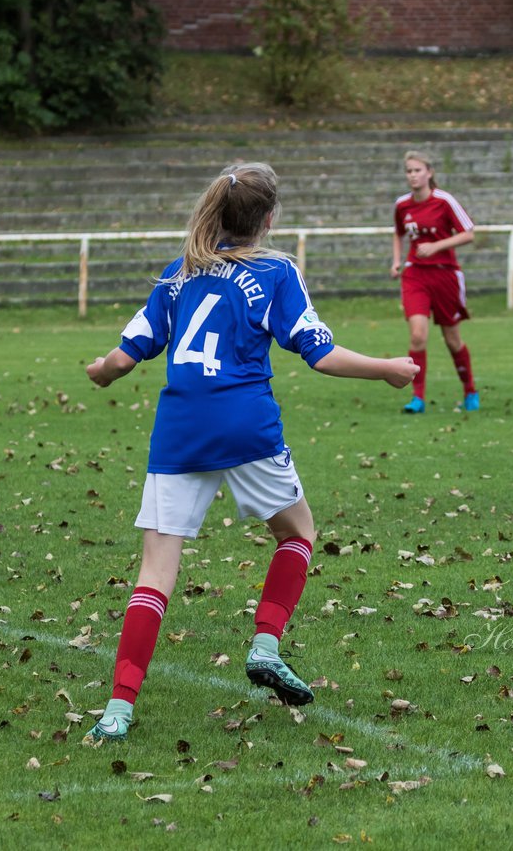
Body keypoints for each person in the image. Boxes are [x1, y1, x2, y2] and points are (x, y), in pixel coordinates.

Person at [82, 162, 418, 745]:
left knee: (155, 574)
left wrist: (98, 372)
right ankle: (265, 644)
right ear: (267, 220)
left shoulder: (178, 274)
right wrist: (387, 370)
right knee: (297, 532)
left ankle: (117, 709)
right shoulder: (276, 270)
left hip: (180, 431)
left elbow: (119, 359)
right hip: (245, 426)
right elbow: (319, 352)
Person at [391, 150, 480, 414]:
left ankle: (470, 389)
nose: (413, 175)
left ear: (429, 172)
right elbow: (398, 234)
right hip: (415, 275)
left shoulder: (444, 201)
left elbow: (468, 233)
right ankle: (417, 398)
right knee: (418, 336)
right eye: (409, 171)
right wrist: (396, 261)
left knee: (452, 339)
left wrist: (436, 246)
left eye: (417, 170)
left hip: (445, 275)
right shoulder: (402, 205)